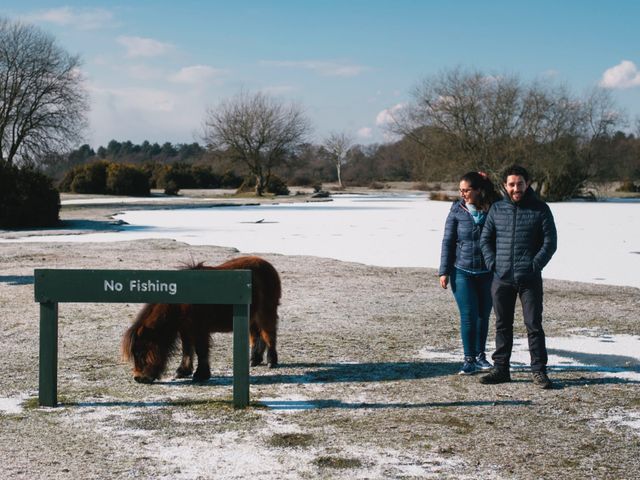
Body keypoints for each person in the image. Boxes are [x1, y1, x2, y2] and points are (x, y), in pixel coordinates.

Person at [479, 165, 557, 389]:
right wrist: (494, 263)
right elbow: (485, 240)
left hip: (529, 279)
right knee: (502, 325)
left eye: (519, 184)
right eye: (511, 184)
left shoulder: (540, 209)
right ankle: (501, 368)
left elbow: (550, 243)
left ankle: (539, 371)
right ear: (505, 185)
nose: (516, 188)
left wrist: (534, 265)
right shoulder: (496, 209)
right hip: (501, 278)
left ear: (527, 183)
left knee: (533, 325)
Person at [439, 171, 501, 375]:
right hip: (461, 271)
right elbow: (448, 242)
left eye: (466, 190)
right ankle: (469, 359)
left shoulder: (495, 209)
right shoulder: (457, 210)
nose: (462, 194)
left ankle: (481, 356)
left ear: (479, 190)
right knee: (468, 315)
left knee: (483, 315)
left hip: (488, 272)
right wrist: (444, 271)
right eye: (461, 190)